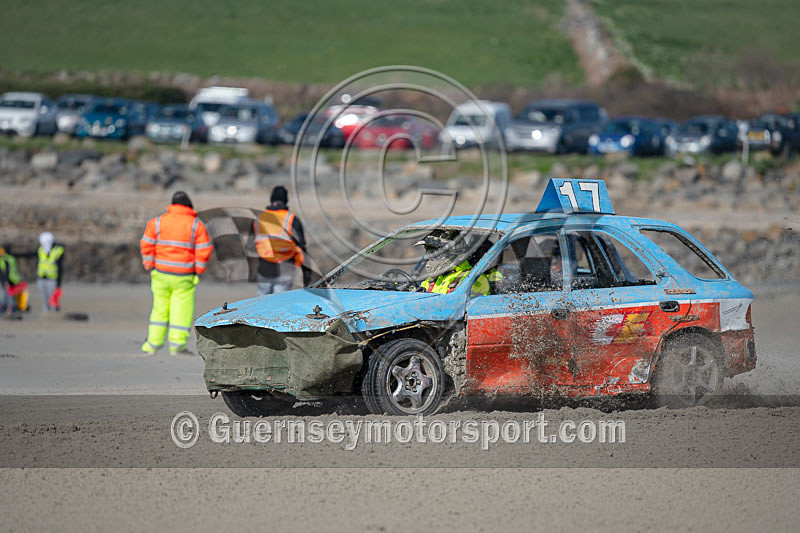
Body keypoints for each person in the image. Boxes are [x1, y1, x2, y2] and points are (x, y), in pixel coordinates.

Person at [139, 191, 213, 356]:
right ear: (188, 206)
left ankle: (152, 345)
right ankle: (177, 346)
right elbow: (204, 249)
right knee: (182, 310)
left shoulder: (157, 222)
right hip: (184, 275)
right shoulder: (195, 224)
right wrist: (198, 270)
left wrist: (148, 264)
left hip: (160, 273)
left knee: (159, 309)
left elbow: (146, 244)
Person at [252, 185, 310, 295]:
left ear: (271, 199)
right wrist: (307, 275)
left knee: (261, 304)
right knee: (279, 303)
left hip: (264, 268)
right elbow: (302, 248)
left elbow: (251, 245)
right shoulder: (292, 219)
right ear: (286, 200)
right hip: (286, 268)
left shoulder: (259, 218)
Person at [421, 239, 501, 297]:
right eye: (430, 255)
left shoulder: (473, 279)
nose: (430, 260)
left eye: (437, 255)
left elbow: (457, 310)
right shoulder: (435, 278)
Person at [37, 232, 64, 312]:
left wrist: (59, 282)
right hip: (41, 278)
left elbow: (60, 267)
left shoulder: (58, 251)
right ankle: (46, 315)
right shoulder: (40, 250)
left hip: (52, 279)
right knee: (44, 300)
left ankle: (55, 315)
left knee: (53, 300)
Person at [1, 244, 29, 315]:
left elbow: (6, 271)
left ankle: (8, 310)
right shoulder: (12, 258)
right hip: (14, 280)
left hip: (9, 280)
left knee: (7, 296)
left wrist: (6, 281)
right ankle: (11, 309)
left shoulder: (5, 259)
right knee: (11, 295)